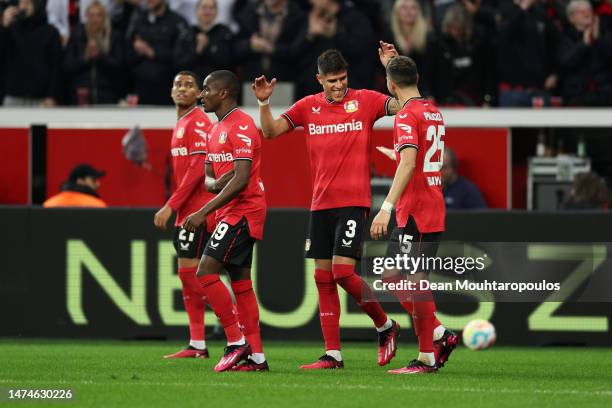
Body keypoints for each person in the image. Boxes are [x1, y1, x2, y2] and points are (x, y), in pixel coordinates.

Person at [252, 46, 401, 369]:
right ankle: (333, 354)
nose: (339, 85)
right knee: (323, 277)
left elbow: (404, 103)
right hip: (321, 203)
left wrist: (392, 69)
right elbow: (270, 132)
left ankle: (385, 325)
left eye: (343, 78)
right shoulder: (308, 107)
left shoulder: (366, 100)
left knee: (342, 272)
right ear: (319, 79)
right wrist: (264, 102)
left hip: (353, 200)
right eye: (332, 80)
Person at [370, 55, 457, 374]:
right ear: (416, 77)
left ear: (391, 85)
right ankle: (438, 334)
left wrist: (385, 208)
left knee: (416, 282)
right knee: (391, 276)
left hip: (416, 210)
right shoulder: (433, 110)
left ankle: (426, 356)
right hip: (427, 205)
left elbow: (409, 164)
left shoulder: (405, 116)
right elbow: (421, 159)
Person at [183, 70, 268, 372]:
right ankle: (257, 357)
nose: (200, 94)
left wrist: (202, 211)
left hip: (244, 210)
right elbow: (209, 179)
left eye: (205, 89)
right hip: (228, 210)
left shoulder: (242, 125)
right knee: (241, 283)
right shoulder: (213, 129)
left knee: (205, 272)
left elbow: (242, 179)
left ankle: (236, 340)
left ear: (223, 93)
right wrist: (220, 184)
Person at [153, 71, 217, 359]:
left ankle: (236, 323)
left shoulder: (199, 121)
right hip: (186, 212)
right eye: (177, 83)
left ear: (200, 95)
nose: (182, 88)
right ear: (171, 91)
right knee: (187, 275)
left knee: (196, 277)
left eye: (189, 85)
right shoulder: (182, 122)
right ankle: (198, 344)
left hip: (198, 211)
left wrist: (171, 205)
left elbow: (197, 170)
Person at [125, 0, 194, 105]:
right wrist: (137, 52)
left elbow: (182, 59)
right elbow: (126, 56)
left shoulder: (177, 22)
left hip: (168, 91)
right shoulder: (138, 21)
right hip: (140, 90)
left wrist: (153, 53)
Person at [1, 0, 62, 107]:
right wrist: (4, 26)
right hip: (13, 96)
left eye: (28, 2)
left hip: (41, 99)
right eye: (22, 2)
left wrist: (52, 95)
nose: (24, 6)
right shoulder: (10, 29)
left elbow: (56, 68)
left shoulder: (51, 32)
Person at [64, 0, 124, 105]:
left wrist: (100, 56)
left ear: (104, 18)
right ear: (86, 17)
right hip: (80, 95)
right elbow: (67, 66)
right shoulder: (77, 36)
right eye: (91, 16)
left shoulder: (114, 37)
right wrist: (85, 58)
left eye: (98, 15)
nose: (95, 19)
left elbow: (120, 67)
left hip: (107, 95)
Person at [233, 0, 306, 82]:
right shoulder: (248, 12)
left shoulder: (298, 14)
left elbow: (300, 52)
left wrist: (274, 49)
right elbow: (235, 48)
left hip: (285, 80)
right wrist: (249, 45)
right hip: (253, 81)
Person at [558, 0, 612, 106]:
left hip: (605, 94)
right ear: (571, 18)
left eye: (589, 11)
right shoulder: (565, 37)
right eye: (582, 11)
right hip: (577, 96)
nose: (587, 14)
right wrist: (583, 44)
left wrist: (599, 39)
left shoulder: (604, 34)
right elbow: (565, 62)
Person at [187, 0, 234, 77]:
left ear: (217, 11)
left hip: (218, 82)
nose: (207, 11)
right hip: (193, 82)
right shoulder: (187, 32)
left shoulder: (225, 32)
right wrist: (198, 50)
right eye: (204, 7)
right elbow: (179, 63)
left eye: (211, 8)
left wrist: (210, 46)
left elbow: (228, 62)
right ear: (197, 10)